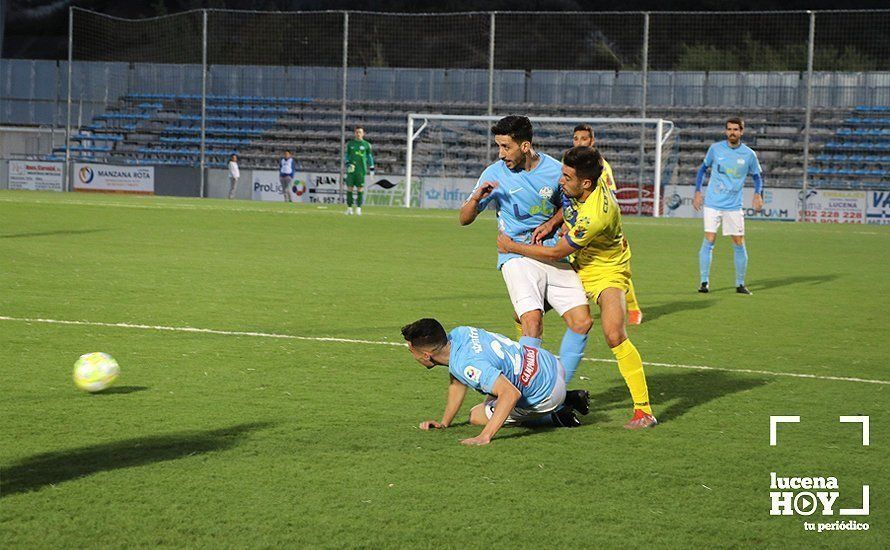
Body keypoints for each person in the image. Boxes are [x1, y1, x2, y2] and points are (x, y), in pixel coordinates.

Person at [498, 146, 657, 430]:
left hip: (606, 272)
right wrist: (551, 222)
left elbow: (557, 252)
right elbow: (566, 209)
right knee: (522, 315)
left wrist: (512, 247)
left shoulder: (597, 213)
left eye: (566, 176)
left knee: (613, 334)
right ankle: (539, 387)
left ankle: (643, 411)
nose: (561, 180)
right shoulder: (579, 188)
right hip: (580, 262)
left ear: (585, 183)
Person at [459, 115, 592, 398]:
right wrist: (476, 198)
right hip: (514, 253)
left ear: (526, 146)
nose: (501, 153)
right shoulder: (493, 173)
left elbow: (566, 207)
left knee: (582, 322)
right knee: (532, 320)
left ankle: (557, 391)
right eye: (499, 147)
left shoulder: (556, 171)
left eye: (506, 147)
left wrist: (553, 223)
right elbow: (464, 219)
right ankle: (527, 394)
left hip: (550, 252)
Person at [401, 318, 590, 446]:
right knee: (491, 393)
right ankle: (569, 397)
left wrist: (485, 436)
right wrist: (444, 423)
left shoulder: (466, 364)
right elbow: (458, 382)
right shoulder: (460, 333)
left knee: (476, 415)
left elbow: (511, 394)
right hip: (549, 363)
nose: (412, 355)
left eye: (412, 351)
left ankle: (556, 415)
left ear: (426, 354)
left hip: (547, 393)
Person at [571, 124, 644, 325]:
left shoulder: (600, 167)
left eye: (583, 139)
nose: (579, 143)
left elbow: (610, 199)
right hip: (578, 222)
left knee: (613, 267)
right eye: (576, 139)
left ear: (592, 142)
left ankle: (633, 308)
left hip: (598, 225)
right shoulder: (570, 163)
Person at [693, 117, 764, 295]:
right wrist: (697, 191)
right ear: (726, 131)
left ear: (741, 132)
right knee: (709, 239)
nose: (732, 132)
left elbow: (757, 176)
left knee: (739, 242)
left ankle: (740, 284)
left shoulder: (749, 154)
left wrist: (757, 194)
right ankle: (704, 282)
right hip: (713, 203)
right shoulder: (715, 149)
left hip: (733, 206)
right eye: (729, 129)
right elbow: (702, 169)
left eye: (736, 129)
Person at [345, 126, 375, 216]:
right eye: (357, 132)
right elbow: (347, 155)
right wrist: (347, 163)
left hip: (361, 170)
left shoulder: (367, 145)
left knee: (360, 189)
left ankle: (358, 208)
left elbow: (369, 157)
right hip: (351, 170)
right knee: (349, 188)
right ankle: (349, 208)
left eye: (360, 132)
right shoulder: (350, 144)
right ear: (355, 133)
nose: (358, 134)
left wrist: (372, 168)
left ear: (363, 133)